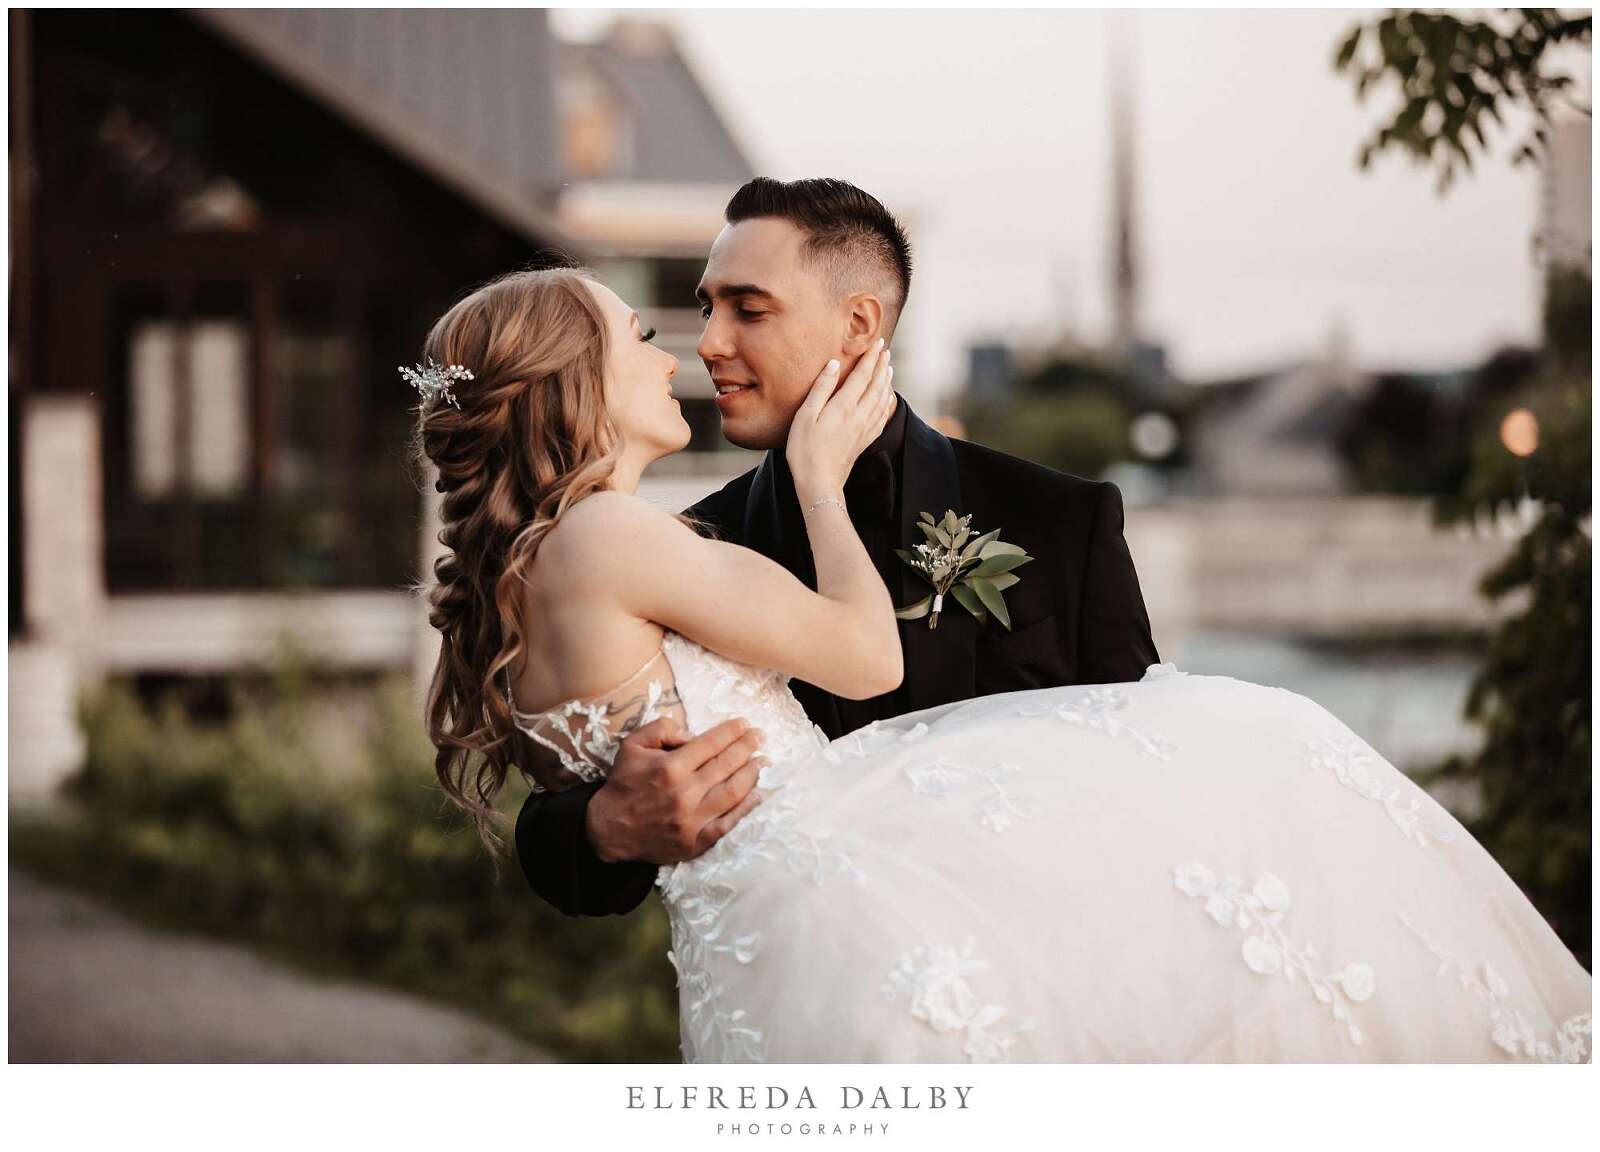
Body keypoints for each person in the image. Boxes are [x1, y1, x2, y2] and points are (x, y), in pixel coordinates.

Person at [413, 264, 1590, 1063]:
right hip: (859, 917)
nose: (687, 347)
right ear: (571, 381)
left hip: (791, 942)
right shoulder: (639, 533)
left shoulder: (536, 570)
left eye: (742, 313)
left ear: (857, 329)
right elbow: (858, 657)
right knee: (1266, 764)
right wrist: (818, 490)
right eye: (645, 334)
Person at [516, 178, 1160, 919]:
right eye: (706, 308)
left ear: (858, 324)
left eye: (748, 310)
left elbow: (1148, 773)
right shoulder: (692, 543)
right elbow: (555, 796)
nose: (710, 343)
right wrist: (601, 829)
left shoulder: (1060, 521)